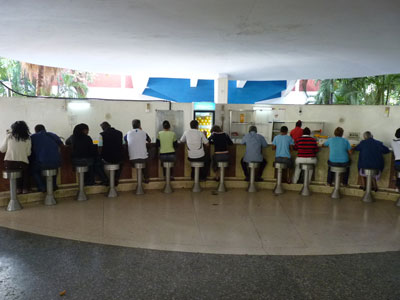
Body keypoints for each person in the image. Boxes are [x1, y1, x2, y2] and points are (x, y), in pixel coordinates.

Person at [0, 121, 31, 193]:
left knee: (14, 172)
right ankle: (25, 189)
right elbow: (28, 153)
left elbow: (2, 150)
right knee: (25, 172)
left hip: (9, 164)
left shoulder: (9, 136)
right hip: (22, 163)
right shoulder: (28, 138)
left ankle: (16, 190)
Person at [30, 124, 63, 192]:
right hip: (56, 162)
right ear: (45, 129)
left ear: (35, 130)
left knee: (34, 170)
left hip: (41, 162)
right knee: (54, 169)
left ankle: (42, 187)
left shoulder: (33, 137)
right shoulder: (53, 135)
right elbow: (61, 144)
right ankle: (53, 185)